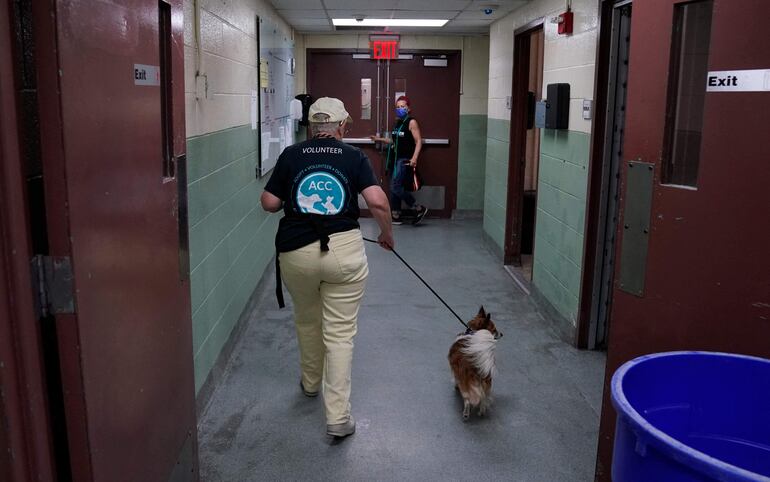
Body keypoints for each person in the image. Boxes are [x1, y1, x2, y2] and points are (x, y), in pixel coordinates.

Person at [260, 97, 394, 439]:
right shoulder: (354, 156)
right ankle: (337, 417)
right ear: (342, 127)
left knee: (307, 319)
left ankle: (309, 384)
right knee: (340, 333)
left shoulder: (291, 154)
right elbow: (377, 202)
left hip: (296, 252)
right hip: (343, 252)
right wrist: (386, 235)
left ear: (311, 127)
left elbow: (269, 203)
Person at [370, 96, 429, 225]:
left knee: (395, 187)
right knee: (395, 186)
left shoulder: (411, 122)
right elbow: (394, 140)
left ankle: (418, 208)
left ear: (408, 108)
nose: (400, 109)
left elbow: (418, 141)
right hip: (394, 159)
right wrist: (379, 139)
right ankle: (396, 214)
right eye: (398, 107)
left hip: (404, 160)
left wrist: (414, 158)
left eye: (403, 106)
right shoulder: (398, 123)